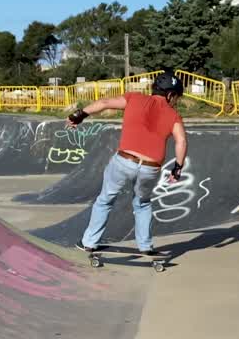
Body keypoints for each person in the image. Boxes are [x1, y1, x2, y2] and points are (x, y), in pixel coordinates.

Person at [66, 72, 189, 255]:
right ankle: (145, 246)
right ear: (170, 95)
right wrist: (177, 168)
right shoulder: (174, 115)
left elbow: (105, 103)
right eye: (176, 97)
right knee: (143, 203)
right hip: (151, 168)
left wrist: (80, 115)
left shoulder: (134, 98)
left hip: (124, 161)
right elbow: (181, 141)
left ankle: (89, 243)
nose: (175, 101)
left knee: (105, 200)